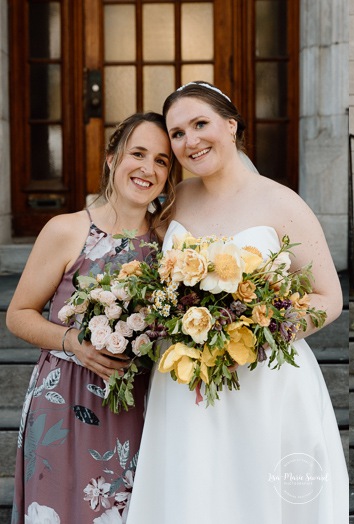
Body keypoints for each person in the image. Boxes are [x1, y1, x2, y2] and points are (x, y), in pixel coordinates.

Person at [126, 81, 349, 523]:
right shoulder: (175, 200)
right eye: (177, 133)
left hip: (265, 381)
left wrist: (254, 335)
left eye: (200, 124)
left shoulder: (281, 202)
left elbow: (330, 297)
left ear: (231, 126)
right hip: (186, 384)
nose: (190, 141)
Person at [6, 113, 176, 523]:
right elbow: (18, 315)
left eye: (161, 160)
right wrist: (74, 343)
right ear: (112, 158)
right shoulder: (67, 230)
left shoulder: (169, 242)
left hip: (137, 403)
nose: (147, 168)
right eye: (138, 153)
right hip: (66, 399)